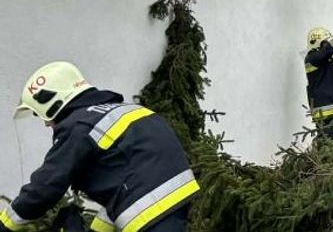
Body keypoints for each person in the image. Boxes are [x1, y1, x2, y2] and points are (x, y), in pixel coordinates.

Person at [2, 61, 198, 232]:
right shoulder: (125, 110)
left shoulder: (80, 125)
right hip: (176, 198)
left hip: (151, 209)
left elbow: (45, 186)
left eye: (40, 114)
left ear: (53, 102)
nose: (46, 123)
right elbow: (123, 185)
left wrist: (5, 224)